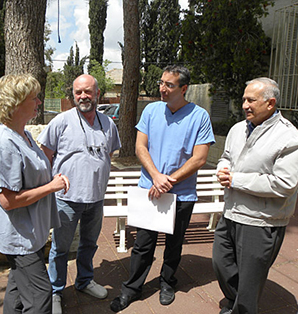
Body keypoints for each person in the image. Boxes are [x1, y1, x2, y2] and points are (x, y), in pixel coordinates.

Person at [110, 65, 215, 312]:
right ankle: (132, 289)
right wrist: (157, 177)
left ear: (184, 88)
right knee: (143, 245)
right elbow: (140, 147)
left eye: (169, 85)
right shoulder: (151, 110)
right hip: (150, 191)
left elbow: (199, 158)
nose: (162, 89)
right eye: (161, 83)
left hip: (182, 194)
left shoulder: (199, 116)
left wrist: (169, 181)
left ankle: (168, 282)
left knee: (174, 243)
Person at [213, 77, 298, 314]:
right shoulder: (238, 129)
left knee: (250, 282)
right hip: (231, 213)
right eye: (244, 99)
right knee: (221, 264)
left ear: (270, 103)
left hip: (261, 221)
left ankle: (243, 308)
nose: (244, 104)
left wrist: (236, 180)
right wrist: (222, 169)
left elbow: (284, 184)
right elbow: (226, 156)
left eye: (251, 100)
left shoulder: (290, 138)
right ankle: (236, 304)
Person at [0, 74, 70, 314]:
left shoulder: (25, 135)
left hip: (30, 231)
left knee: (17, 288)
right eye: (34, 98)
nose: (39, 102)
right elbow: (8, 200)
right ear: (15, 103)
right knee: (40, 295)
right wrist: (51, 187)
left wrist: (50, 180)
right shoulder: (4, 143)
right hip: (20, 236)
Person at [38, 74, 121, 314]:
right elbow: (45, 156)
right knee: (60, 249)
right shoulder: (61, 122)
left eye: (88, 92)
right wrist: (51, 182)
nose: (83, 96)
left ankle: (84, 281)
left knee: (89, 244)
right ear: (73, 95)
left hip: (96, 199)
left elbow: (109, 155)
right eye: (78, 92)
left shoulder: (108, 123)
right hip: (65, 200)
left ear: (97, 94)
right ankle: (55, 291)